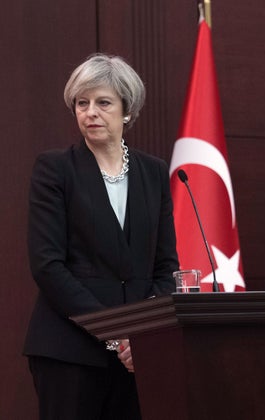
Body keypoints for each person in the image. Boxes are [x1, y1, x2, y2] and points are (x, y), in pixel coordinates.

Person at [23, 54, 179, 419]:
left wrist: (143, 335)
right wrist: (116, 332)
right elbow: (48, 265)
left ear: (127, 110)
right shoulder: (55, 169)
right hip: (69, 352)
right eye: (82, 103)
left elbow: (166, 267)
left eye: (103, 103)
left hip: (136, 358)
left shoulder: (154, 173)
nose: (90, 112)